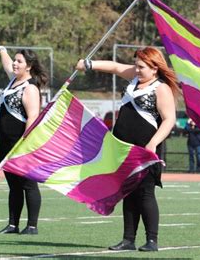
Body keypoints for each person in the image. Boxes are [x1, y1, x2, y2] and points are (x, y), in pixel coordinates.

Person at [76, 47, 179, 252]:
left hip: (145, 150)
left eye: (141, 66)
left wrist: (152, 144)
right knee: (129, 193)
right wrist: (88, 64)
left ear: (155, 68)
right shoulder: (135, 77)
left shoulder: (161, 88)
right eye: (136, 65)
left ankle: (152, 240)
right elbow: (115, 67)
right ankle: (128, 239)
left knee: (145, 194)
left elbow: (169, 120)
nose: (137, 70)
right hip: (123, 148)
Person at [0, 46, 48, 235]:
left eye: (19, 61)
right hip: (6, 142)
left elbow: (33, 117)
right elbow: (7, 65)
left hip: (21, 143)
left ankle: (32, 226)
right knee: (13, 185)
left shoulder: (30, 87)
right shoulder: (14, 81)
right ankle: (13, 224)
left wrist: (23, 144)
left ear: (29, 66)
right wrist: (2, 50)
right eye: (15, 60)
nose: (15, 64)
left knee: (28, 184)